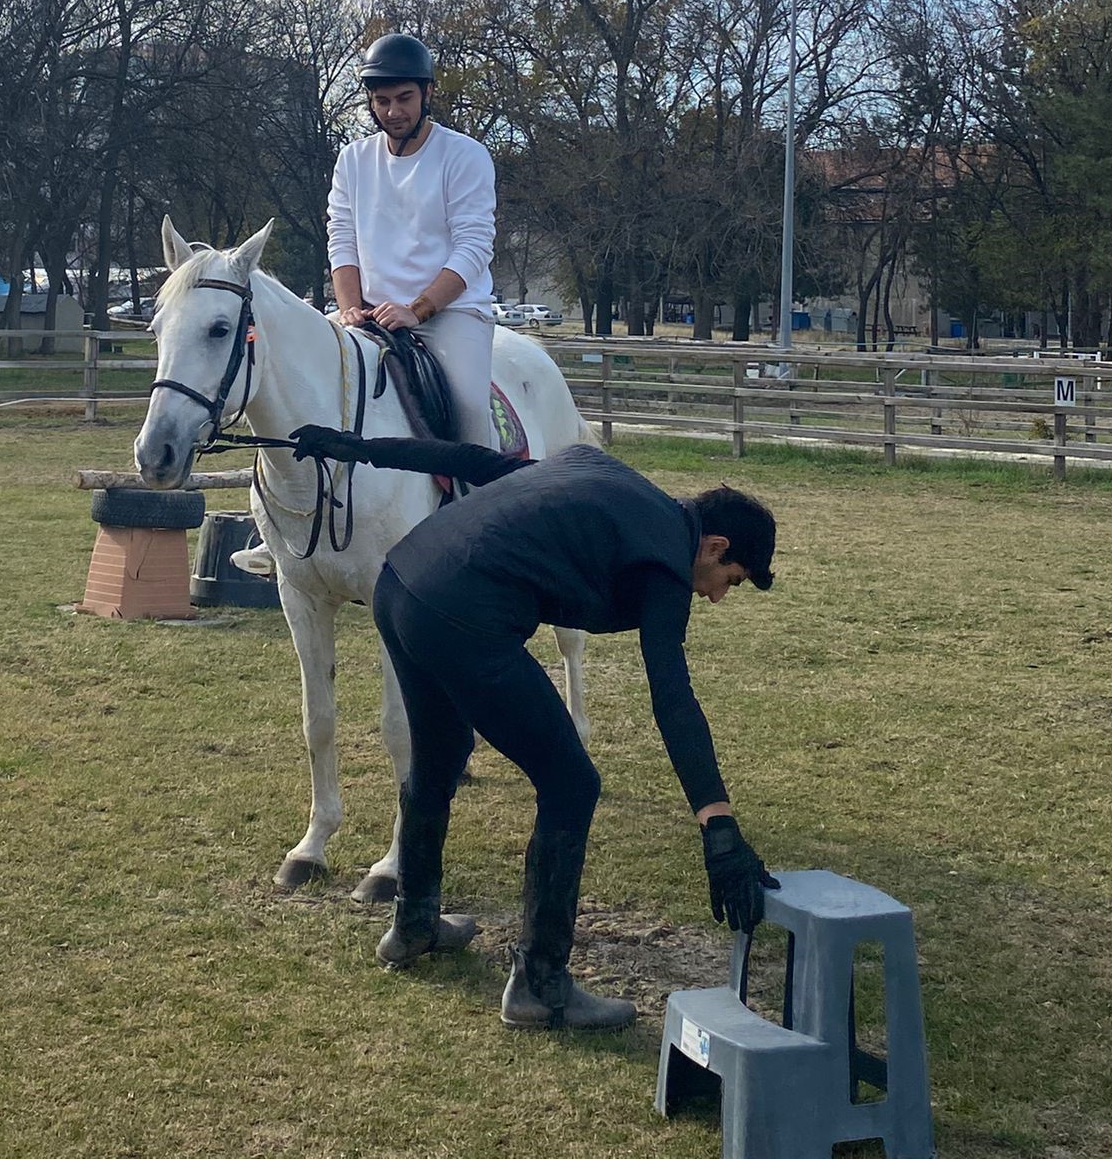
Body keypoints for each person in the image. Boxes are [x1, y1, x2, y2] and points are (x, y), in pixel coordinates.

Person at [289, 426, 779, 1031]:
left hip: (402, 584)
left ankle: (414, 923)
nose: (719, 598)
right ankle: (540, 986)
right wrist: (718, 825)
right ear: (716, 546)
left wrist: (359, 446)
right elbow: (672, 697)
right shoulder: (664, 564)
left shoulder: (595, 471)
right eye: (731, 580)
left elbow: (468, 460)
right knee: (571, 783)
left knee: (439, 755)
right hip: (462, 612)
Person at [327, 32, 497, 446]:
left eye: (404, 98)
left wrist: (416, 311)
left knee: (469, 409)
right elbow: (342, 238)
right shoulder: (352, 159)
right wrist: (349, 309)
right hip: (369, 314)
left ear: (428, 92)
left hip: (451, 315)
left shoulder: (465, 155)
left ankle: (489, 483)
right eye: (382, 101)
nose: (393, 112)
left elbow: (474, 247)